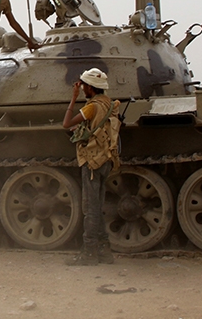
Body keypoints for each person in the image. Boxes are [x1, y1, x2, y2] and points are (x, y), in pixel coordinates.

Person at [61, 67, 121, 265]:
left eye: (84, 85)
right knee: (98, 205)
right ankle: (105, 252)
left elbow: (66, 122)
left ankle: (89, 253)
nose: (82, 88)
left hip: (92, 160)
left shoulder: (92, 106)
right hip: (105, 159)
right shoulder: (109, 103)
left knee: (90, 207)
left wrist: (73, 98)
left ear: (90, 87)